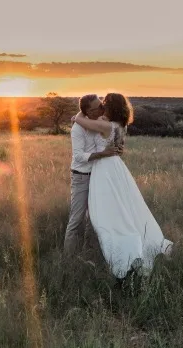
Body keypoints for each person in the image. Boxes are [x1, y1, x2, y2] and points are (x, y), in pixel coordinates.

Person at [72, 93, 173, 279]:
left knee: (105, 215)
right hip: (118, 167)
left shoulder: (105, 125)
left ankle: (124, 253)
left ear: (110, 107)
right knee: (126, 207)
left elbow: (78, 120)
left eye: (104, 104)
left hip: (104, 169)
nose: (102, 106)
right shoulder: (121, 125)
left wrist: (78, 114)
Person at [63, 94, 122, 258]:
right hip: (81, 176)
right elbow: (79, 156)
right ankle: (67, 260)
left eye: (101, 106)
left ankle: (88, 253)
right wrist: (102, 154)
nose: (101, 110)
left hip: (97, 176)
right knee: (76, 219)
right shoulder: (77, 128)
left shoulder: (98, 121)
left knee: (94, 218)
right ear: (87, 111)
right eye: (96, 108)